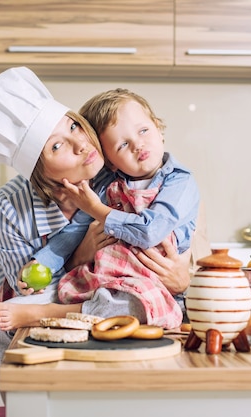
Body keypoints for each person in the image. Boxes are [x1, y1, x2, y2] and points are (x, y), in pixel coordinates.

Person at [0, 67, 192, 368]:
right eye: (57, 146)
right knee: (1, 325)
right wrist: (79, 255)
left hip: (126, 307)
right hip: (57, 308)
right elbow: (33, 286)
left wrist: (181, 281)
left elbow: (184, 270)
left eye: (74, 126)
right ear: (40, 172)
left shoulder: (141, 178)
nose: (81, 145)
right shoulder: (12, 207)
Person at [57, 88, 200, 329]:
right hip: (110, 278)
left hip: (154, 287)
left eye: (143, 130)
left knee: (126, 305)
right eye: (123, 144)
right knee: (92, 295)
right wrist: (45, 261)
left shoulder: (180, 181)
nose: (138, 145)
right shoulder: (109, 186)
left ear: (158, 127)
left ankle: (55, 312)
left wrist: (95, 208)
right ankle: (78, 309)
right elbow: (75, 230)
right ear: (110, 161)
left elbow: (150, 232)